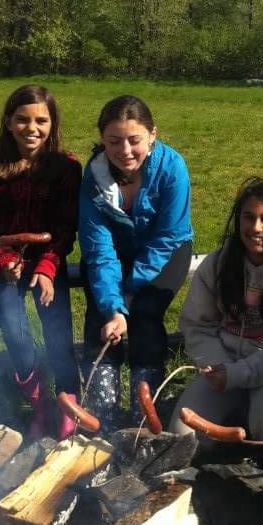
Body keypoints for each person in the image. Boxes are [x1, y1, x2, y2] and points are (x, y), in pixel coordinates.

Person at [0, 84, 81, 440]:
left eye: (41, 121)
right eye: (22, 120)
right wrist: (1, 258)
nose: (32, 129)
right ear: (8, 121)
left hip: (49, 263)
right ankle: (39, 404)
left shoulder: (66, 167)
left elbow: (66, 228)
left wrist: (47, 268)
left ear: (52, 123)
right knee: (16, 335)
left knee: (58, 335)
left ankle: (67, 405)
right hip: (5, 268)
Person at [170, 178, 263, 444]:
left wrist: (241, 374)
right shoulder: (217, 264)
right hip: (221, 367)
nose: (256, 228)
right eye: (248, 217)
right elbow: (196, 325)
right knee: (182, 437)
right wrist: (220, 368)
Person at [78, 95, 193, 431]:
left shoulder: (172, 168)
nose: (125, 150)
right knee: (101, 319)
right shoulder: (94, 176)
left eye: (134, 140)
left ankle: (147, 417)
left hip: (167, 249)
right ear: (102, 140)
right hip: (114, 250)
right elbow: (98, 248)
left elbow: (165, 239)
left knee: (145, 313)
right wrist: (114, 308)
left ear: (152, 136)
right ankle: (106, 419)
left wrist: (128, 298)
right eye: (114, 141)